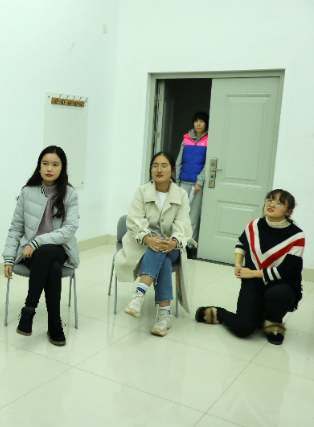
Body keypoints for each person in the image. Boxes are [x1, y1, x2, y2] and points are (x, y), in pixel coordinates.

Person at [195, 190, 305, 345]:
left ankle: (273, 323)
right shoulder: (254, 225)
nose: (272, 204)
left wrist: (253, 273)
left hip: (282, 284)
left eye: (279, 202)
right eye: (269, 200)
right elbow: (241, 243)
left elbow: (286, 271)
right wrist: (238, 263)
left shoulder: (297, 236)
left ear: (289, 212)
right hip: (254, 283)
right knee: (243, 329)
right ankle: (218, 313)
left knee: (279, 294)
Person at [3, 146, 79, 346]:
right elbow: (16, 228)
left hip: (60, 248)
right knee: (52, 268)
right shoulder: (27, 192)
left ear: (62, 168)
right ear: (39, 166)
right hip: (32, 253)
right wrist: (9, 257)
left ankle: (29, 311)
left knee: (46, 252)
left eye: (55, 164)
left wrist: (37, 242)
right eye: (45, 163)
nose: (49, 168)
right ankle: (55, 324)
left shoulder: (70, 194)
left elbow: (69, 229)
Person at [115, 151, 192, 336]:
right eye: (155, 165)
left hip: (172, 246)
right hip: (143, 243)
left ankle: (139, 295)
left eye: (164, 165)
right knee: (162, 258)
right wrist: (148, 238)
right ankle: (164, 316)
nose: (159, 169)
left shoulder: (181, 194)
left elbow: (183, 224)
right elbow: (134, 220)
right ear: (150, 169)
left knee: (161, 248)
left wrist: (174, 241)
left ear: (172, 170)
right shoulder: (142, 192)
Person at [175, 111, 209, 257]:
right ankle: (178, 242)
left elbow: (208, 163)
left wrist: (199, 181)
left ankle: (190, 246)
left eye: (201, 121)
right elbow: (179, 161)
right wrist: (176, 181)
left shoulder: (209, 139)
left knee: (193, 217)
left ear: (206, 123)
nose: (198, 124)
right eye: (196, 121)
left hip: (196, 186)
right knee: (180, 214)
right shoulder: (186, 139)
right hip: (182, 182)